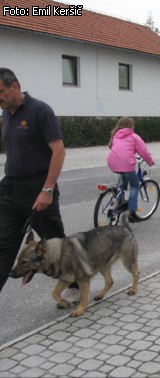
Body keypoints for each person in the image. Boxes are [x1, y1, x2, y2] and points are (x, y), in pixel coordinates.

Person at [0, 68, 75, 297]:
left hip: (39, 191)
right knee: (3, 246)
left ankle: (75, 280)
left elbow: (59, 151)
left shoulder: (40, 111)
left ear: (15, 86)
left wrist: (47, 190)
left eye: (0, 92)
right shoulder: (5, 115)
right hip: (12, 191)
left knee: (55, 246)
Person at [107, 117, 155, 222]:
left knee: (123, 184)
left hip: (113, 162)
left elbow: (117, 148)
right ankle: (130, 213)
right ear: (131, 127)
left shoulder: (116, 135)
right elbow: (144, 151)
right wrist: (150, 161)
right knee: (135, 185)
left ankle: (119, 203)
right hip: (126, 164)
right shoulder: (134, 136)